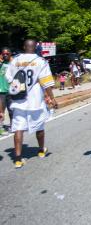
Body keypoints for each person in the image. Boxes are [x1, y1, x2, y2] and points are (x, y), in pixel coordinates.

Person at [6, 40, 57, 168]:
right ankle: (41, 150)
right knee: (39, 126)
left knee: (18, 128)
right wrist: (52, 98)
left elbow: (8, 78)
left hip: (19, 100)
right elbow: (46, 82)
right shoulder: (41, 61)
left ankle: (17, 158)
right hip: (35, 101)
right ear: (36, 47)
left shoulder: (15, 60)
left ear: (24, 47)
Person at [0, 48, 13, 134]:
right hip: (1, 91)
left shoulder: (14, 64)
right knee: (1, 111)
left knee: (11, 110)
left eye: (7, 53)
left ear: (10, 54)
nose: (5, 55)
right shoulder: (0, 64)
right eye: (3, 54)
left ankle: (13, 126)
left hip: (12, 91)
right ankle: (1, 127)